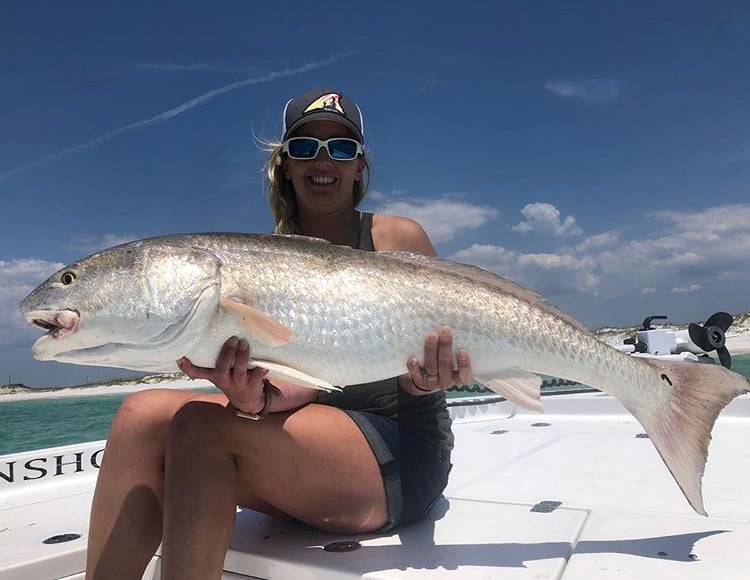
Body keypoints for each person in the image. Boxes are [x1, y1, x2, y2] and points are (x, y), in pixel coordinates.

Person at [84, 87, 473, 580]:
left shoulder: (395, 238)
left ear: (359, 167)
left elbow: (427, 370)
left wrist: (428, 378)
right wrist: (254, 398)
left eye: (341, 148)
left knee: (201, 428)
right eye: (305, 147)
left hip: (401, 458)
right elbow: (297, 383)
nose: (323, 160)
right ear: (285, 164)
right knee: (139, 415)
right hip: (302, 454)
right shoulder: (269, 262)